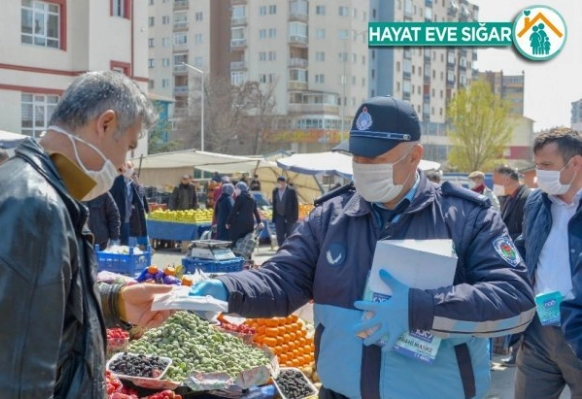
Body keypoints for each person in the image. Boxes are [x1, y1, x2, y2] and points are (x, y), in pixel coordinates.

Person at [189, 96, 536, 399]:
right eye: (358, 158)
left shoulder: (466, 217)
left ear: (415, 156)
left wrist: (423, 309)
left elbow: (514, 301)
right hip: (340, 391)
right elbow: (283, 278)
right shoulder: (331, 216)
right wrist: (226, 288)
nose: (363, 169)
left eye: (376, 159)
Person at [0, 71, 174, 397]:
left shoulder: (9, 182)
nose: (124, 164)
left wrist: (112, 302)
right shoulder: (37, 207)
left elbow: (29, 305)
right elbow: (12, 380)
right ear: (105, 124)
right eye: (129, 146)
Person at [513, 127, 582, 398]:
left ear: (575, 163)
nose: (540, 173)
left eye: (547, 165)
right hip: (538, 328)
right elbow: (525, 247)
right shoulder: (536, 204)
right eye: (537, 164)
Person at [491, 164, 532, 367]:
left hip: (520, 262)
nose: (494, 184)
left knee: (521, 309)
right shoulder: (510, 198)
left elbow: (527, 234)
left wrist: (504, 242)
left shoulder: (526, 198)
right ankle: (515, 351)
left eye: (495, 179)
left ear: (507, 179)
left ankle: (519, 353)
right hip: (510, 259)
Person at [110, 161, 142, 246]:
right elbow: (110, 198)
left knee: (125, 245)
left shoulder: (132, 183)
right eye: (129, 167)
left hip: (128, 219)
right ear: (124, 168)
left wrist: (137, 183)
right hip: (118, 217)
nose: (131, 170)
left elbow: (139, 199)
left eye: (132, 168)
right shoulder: (116, 181)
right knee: (116, 244)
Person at [227, 181, 262, 251]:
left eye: (236, 189)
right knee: (247, 242)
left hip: (239, 224)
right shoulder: (252, 198)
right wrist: (259, 222)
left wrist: (228, 222)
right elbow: (255, 212)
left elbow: (234, 211)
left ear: (240, 189)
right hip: (250, 224)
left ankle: (235, 256)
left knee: (234, 241)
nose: (235, 191)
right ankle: (247, 258)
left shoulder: (240, 197)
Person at [271, 176, 299, 247]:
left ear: (284, 183)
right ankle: (281, 248)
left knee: (289, 234)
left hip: (289, 217)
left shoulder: (291, 191)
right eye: (278, 183)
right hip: (278, 216)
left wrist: (295, 217)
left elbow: (295, 205)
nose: (278, 184)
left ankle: (289, 249)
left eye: (280, 182)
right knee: (279, 235)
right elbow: (274, 204)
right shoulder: (275, 191)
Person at [129, 168, 150, 248]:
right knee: (135, 229)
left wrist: (147, 209)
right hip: (133, 212)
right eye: (132, 177)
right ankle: (135, 245)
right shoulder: (130, 187)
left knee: (142, 228)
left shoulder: (141, 187)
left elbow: (143, 198)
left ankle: (143, 245)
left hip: (140, 210)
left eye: (135, 177)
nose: (134, 179)